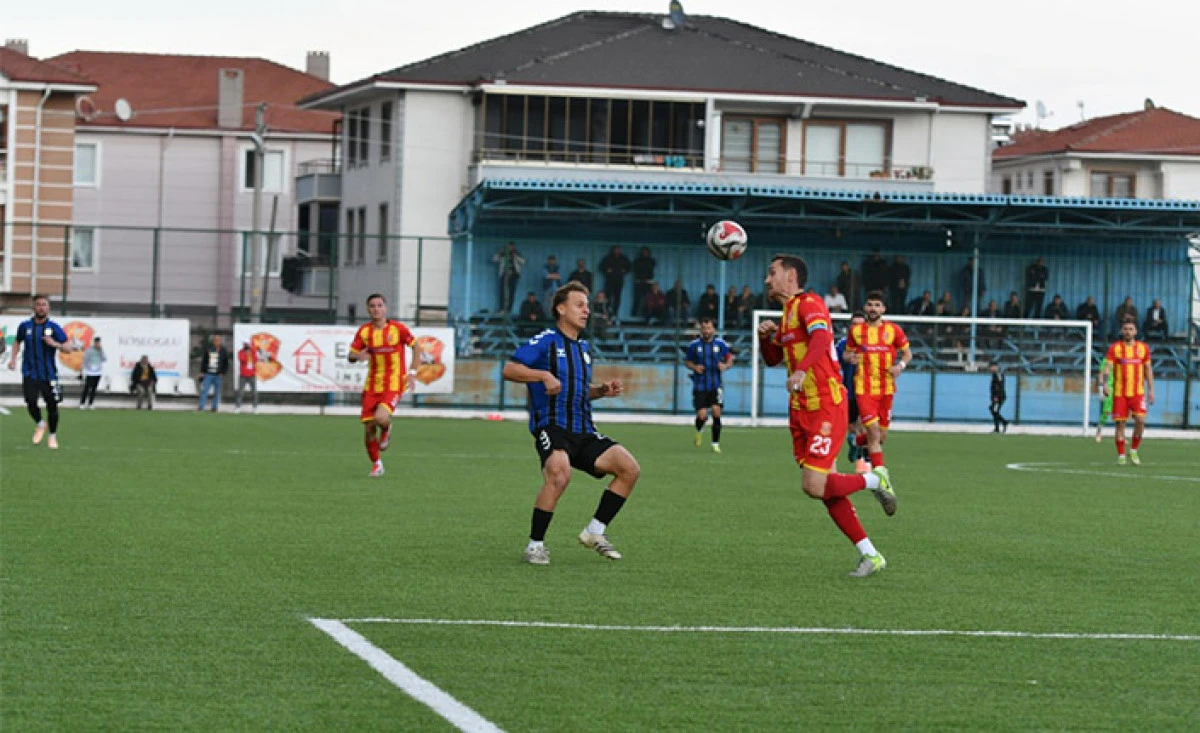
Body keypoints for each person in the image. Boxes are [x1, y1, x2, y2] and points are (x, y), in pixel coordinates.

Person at [757, 254, 896, 578]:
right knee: (824, 487)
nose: (767, 280)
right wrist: (766, 338)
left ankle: (876, 478)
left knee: (813, 484)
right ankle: (871, 555)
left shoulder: (809, 303)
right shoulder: (787, 314)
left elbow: (822, 338)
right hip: (802, 410)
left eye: (771, 272)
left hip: (825, 404)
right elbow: (773, 359)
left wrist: (803, 371)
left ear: (791, 276)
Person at [503, 281, 641, 566]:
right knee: (559, 475)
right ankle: (535, 545)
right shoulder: (546, 340)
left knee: (629, 469)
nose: (586, 311)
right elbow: (509, 369)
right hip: (552, 426)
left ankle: (595, 532)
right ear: (560, 308)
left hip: (584, 430)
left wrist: (601, 391)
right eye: (580, 305)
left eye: (587, 306)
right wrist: (542, 376)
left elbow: (576, 389)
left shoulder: (585, 348)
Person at [348, 293, 419, 477]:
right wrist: (359, 355)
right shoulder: (364, 332)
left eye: (379, 305)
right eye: (372, 306)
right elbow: (351, 355)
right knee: (369, 429)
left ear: (385, 308)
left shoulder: (398, 329)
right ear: (368, 309)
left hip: (394, 383)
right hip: (372, 386)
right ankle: (377, 464)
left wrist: (412, 373)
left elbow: (416, 347)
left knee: (380, 418)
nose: (376, 309)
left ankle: (387, 428)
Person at [847, 290, 912, 470]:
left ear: (883, 309)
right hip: (864, 388)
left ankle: (855, 441)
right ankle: (880, 477)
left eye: (877, 305)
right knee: (874, 434)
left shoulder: (893, 330)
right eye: (870, 304)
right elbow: (847, 354)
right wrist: (850, 358)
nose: (873, 308)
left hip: (887, 389)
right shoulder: (856, 331)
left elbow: (907, 354)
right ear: (864, 307)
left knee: (881, 437)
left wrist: (900, 366)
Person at [7, 295, 78, 449]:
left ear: (48, 308)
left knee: (52, 406)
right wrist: (13, 359)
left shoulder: (54, 327)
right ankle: (40, 423)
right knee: (31, 402)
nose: (41, 307)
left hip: (49, 374)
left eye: (44, 304)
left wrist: (55, 344)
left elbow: (68, 348)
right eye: (38, 304)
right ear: (33, 307)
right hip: (30, 373)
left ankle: (52, 436)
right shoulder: (24, 326)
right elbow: (17, 341)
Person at [1098, 318, 1154, 465]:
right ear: (1122, 331)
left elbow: (1148, 369)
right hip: (1120, 393)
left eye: (1131, 329)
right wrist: (1104, 384)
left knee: (1140, 420)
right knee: (1120, 424)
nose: (1128, 332)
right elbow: (1107, 368)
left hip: (1138, 392)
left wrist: (1151, 390)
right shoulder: (1115, 348)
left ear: (1135, 331)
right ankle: (1121, 455)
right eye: (1125, 329)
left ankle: (1134, 450)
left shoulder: (1143, 348)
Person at [684, 317, 733, 453]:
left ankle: (715, 444)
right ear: (701, 330)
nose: (706, 331)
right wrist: (694, 367)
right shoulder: (694, 345)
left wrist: (725, 365)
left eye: (709, 328)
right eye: (704, 328)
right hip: (700, 386)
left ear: (714, 330)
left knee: (717, 413)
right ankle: (699, 430)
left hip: (716, 385)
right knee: (702, 416)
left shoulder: (720, 344)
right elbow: (687, 362)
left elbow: (730, 359)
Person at [836, 311, 869, 472]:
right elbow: (833, 364)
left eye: (861, 324)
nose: (857, 327)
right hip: (848, 392)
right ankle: (853, 443)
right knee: (852, 427)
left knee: (865, 426)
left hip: (867, 392)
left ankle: (862, 464)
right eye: (854, 324)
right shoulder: (842, 344)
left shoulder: (871, 344)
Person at [197, 335, 230, 412]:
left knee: (217, 392)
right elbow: (204, 361)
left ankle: (214, 408)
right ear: (213, 342)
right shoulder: (209, 349)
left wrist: (223, 372)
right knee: (204, 390)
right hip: (208, 374)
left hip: (218, 375)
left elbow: (226, 363)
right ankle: (201, 407)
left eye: (218, 340)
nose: (217, 341)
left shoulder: (224, 351)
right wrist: (202, 372)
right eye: (215, 340)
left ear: (220, 341)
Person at [598, 245, 631, 319]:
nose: (617, 251)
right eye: (616, 249)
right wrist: (607, 270)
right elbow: (601, 267)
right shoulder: (608, 258)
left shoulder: (623, 258)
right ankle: (607, 313)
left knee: (617, 298)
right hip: (610, 281)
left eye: (618, 249)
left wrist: (624, 271)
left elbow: (629, 267)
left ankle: (615, 314)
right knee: (608, 297)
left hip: (619, 281)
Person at [492, 242, 525, 315]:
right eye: (509, 247)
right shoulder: (503, 254)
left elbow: (523, 262)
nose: (510, 248)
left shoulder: (517, 254)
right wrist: (500, 253)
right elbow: (494, 259)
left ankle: (509, 310)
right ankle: (502, 309)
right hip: (504, 275)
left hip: (513, 275)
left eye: (512, 247)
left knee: (511, 293)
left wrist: (515, 256)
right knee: (502, 292)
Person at [79, 336, 106, 409]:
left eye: (99, 343)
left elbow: (104, 359)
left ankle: (91, 403)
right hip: (90, 372)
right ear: (94, 343)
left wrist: (101, 350)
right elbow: (85, 360)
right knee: (87, 388)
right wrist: (82, 370)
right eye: (97, 343)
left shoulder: (101, 350)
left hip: (98, 372)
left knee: (94, 389)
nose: (98, 344)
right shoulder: (89, 350)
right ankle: (82, 403)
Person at [631, 247, 656, 318]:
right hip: (639, 282)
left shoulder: (651, 261)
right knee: (637, 299)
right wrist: (641, 278)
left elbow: (651, 271)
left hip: (648, 282)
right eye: (643, 252)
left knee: (648, 300)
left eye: (646, 252)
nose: (645, 253)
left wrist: (647, 278)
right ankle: (634, 315)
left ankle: (647, 316)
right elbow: (636, 271)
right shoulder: (637, 261)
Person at [1094, 355, 1114, 443]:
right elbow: (1101, 374)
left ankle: (1121, 435)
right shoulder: (1107, 360)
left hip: (1120, 388)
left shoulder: (1123, 359)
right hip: (1109, 388)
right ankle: (1099, 432)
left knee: (1122, 413)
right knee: (1106, 411)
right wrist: (1101, 388)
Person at [235, 342, 259, 413]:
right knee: (240, 392)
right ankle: (238, 407)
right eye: (245, 345)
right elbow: (241, 359)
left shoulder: (253, 351)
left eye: (247, 345)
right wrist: (247, 355)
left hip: (252, 375)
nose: (246, 346)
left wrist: (250, 355)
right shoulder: (240, 352)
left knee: (254, 392)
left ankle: (254, 407)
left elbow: (255, 360)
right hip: (243, 375)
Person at [988, 362, 1009, 433]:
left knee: (994, 410)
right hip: (997, 396)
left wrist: (996, 396)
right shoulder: (996, 374)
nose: (990, 368)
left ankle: (1004, 422)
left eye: (991, 367)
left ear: (995, 367)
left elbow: (999, 386)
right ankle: (998, 426)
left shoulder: (998, 374)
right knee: (994, 410)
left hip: (999, 396)